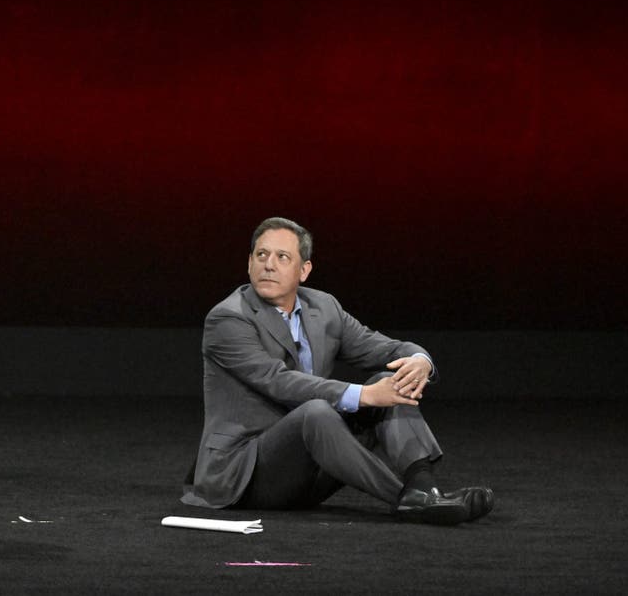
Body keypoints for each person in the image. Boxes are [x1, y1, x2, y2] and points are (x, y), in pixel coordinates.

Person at [181, 217, 493, 525]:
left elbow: (379, 347)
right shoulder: (228, 318)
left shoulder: (324, 307)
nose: (269, 265)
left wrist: (419, 360)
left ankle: (424, 488)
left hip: (310, 469)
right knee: (318, 411)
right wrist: (364, 395)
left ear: (304, 270)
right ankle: (407, 499)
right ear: (249, 263)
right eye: (261, 255)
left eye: (282, 257)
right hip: (244, 476)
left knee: (389, 380)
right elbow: (277, 381)